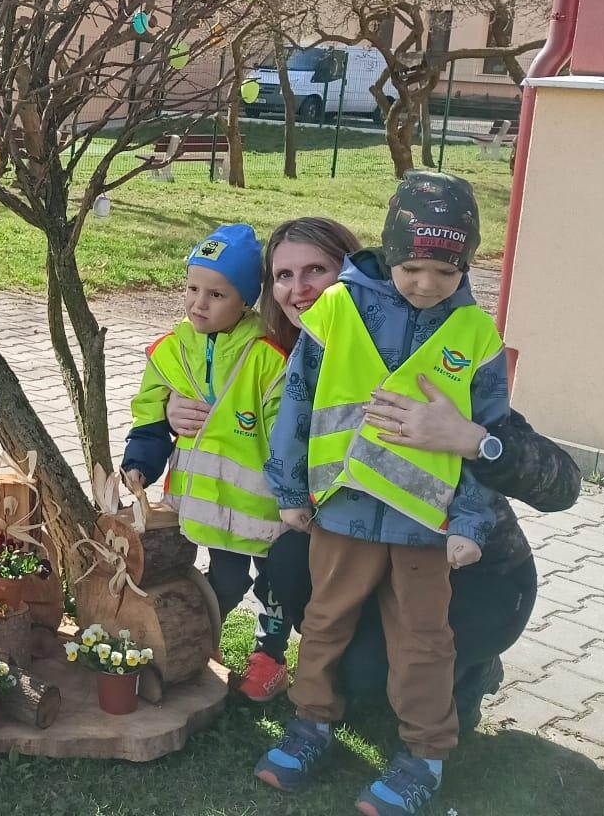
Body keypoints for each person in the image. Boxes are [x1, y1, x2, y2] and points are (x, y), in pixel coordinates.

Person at [166, 215, 579, 731]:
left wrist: (470, 438)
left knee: (375, 671)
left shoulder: (419, 357)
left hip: (476, 576)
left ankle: (469, 669)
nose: (301, 289)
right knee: (293, 558)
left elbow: (564, 484)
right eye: (284, 276)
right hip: (366, 551)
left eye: (316, 269)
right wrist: (173, 408)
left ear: (356, 273)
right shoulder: (283, 359)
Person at [256, 172, 509, 816]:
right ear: (390, 252)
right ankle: (311, 723)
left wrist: (470, 524)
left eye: (445, 273)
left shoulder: (477, 335)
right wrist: (289, 488)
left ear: (467, 265)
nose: (427, 284)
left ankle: (424, 754)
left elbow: (488, 437)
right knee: (324, 620)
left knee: (425, 640)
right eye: (414, 268)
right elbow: (298, 403)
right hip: (341, 508)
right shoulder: (336, 310)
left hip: (425, 524)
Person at [118, 225, 294, 702]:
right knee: (222, 582)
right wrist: (139, 463)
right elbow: (150, 415)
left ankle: (270, 656)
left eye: (217, 293)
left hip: (267, 509)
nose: (199, 302)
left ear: (246, 300)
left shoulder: (268, 357)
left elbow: (285, 428)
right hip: (205, 509)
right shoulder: (170, 351)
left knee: (276, 586)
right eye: (192, 288)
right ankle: (204, 639)